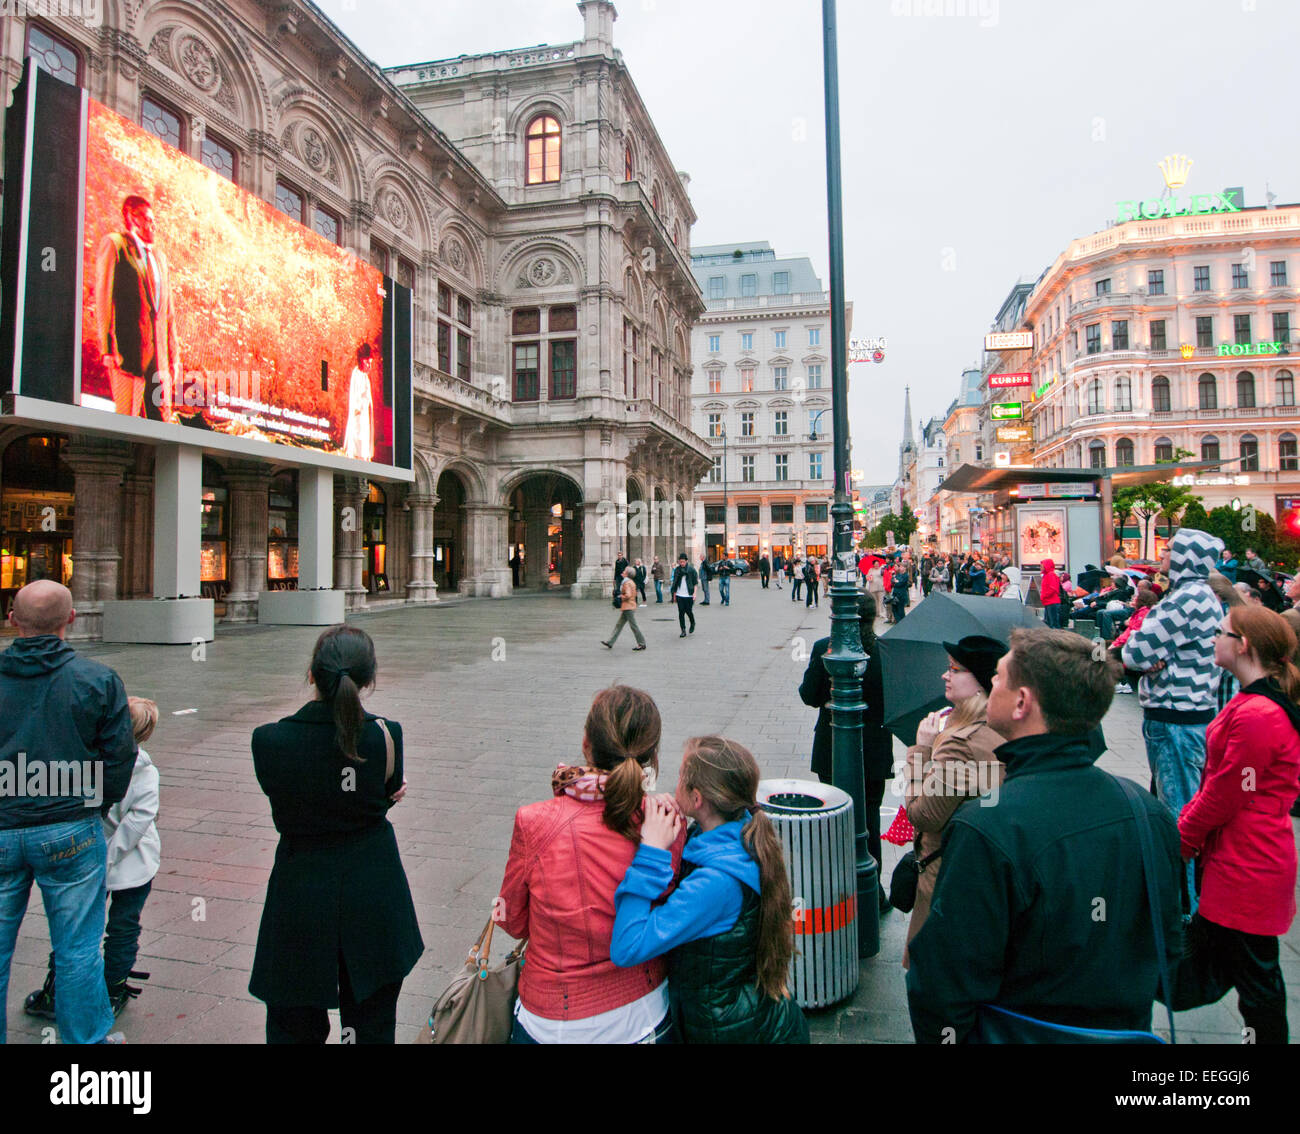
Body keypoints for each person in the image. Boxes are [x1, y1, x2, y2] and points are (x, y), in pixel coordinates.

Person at [906, 628, 1184, 1043]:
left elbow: (943, 984)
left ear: (1022, 702)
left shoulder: (987, 828)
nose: (991, 684)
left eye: (998, 677)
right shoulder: (1148, 813)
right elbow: (1170, 956)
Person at [249, 626, 421, 1043]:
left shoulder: (269, 741)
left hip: (301, 891)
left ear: (312, 673)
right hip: (372, 891)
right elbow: (378, 793)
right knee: (372, 1023)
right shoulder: (386, 735)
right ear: (368, 680)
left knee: (293, 1023)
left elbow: (289, 797)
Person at [498, 686, 685, 1043]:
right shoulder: (667, 822)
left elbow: (512, 919)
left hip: (552, 1021)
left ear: (586, 743)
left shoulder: (534, 822)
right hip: (643, 1012)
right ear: (652, 755)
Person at [0, 580, 136, 1045]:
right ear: (71, 619)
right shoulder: (96, 679)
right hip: (69, 827)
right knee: (78, 948)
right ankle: (86, 1045)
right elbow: (119, 760)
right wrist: (90, 804)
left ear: (12, 619)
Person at [610, 736, 808, 1043]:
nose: (674, 785)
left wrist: (651, 853)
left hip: (729, 1030)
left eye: (680, 779)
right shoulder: (734, 833)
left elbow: (627, 947)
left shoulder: (716, 883)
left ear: (697, 799)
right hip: (751, 1017)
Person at [1175, 606, 1300, 1043]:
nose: (1214, 639)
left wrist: (1184, 836)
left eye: (1220, 633)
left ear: (1242, 644)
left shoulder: (1257, 714)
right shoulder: (1253, 704)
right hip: (1244, 857)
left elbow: (1228, 792)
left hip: (1249, 862)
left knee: (1255, 979)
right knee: (1240, 971)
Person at [25, 696, 161, 1023]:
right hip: (133, 864)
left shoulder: (86, 762)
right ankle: (113, 989)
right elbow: (138, 821)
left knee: (74, 928)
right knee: (123, 927)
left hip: (86, 862)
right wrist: (109, 858)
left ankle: (57, 992)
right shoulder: (145, 770)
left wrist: (97, 859)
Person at [1121, 528, 1224, 912]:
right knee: (1178, 807)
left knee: (1178, 816)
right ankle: (1181, 904)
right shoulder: (1202, 597)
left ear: (1186, 558)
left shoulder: (1185, 599)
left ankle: (1186, 913)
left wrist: (1146, 653)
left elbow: (1135, 653)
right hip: (1187, 715)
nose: (1163, 554)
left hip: (1175, 718)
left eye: (1170, 550)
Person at [901, 636, 1006, 965]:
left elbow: (923, 815)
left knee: (933, 972)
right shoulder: (999, 727)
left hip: (944, 873)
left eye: (954, 669)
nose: (945, 676)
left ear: (981, 683)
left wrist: (921, 751)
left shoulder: (960, 743)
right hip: (981, 871)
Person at [798, 592, 894, 913]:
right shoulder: (886, 652)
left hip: (831, 749)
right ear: (874, 615)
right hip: (876, 751)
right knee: (870, 820)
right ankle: (872, 889)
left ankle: (836, 890)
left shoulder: (825, 648)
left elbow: (808, 696)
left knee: (833, 818)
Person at [94, 194, 182, 422]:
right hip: (128, 356)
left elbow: (168, 313)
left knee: (161, 422)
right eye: (148, 219)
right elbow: (104, 296)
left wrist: (174, 358)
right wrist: (106, 348)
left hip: (159, 362)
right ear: (133, 219)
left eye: (154, 220)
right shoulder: (115, 244)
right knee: (127, 422)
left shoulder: (160, 257)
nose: (154, 225)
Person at [342, 343, 376, 460]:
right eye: (367, 362)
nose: (369, 365)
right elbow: (357, 394)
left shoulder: (365, 376)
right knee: (358, 434)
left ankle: (363, 454)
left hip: (365, 412)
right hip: (359, 413)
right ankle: (356, 454)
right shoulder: (357, 373)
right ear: (362, 360)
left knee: (364, 434)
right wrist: (358, 408)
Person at [602, 567, 647, 651]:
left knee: (633, 626)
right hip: (629, 606)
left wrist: (620, 596)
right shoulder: (630, 582)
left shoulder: (626, 583)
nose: (622, 572)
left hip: (628, 607)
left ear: (627, 574)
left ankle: (642, 643)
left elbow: (628, 595)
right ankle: (610, 642)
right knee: (619, 625)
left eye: (624, 571)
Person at [670, 553, 697, 638]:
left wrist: (695, 593)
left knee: (688, 611)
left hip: (689, 595)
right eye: (680, 562)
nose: (681, 563)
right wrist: (674, 595)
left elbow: (695, 583)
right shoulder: (677, 570)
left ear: (686, 561)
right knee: (681, 612)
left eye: (683, 562)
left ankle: (692, 622)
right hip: (679, 594)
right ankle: (683, 630)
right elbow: (674, 583)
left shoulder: (691, 570)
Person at [1039, 557, 1063, 629]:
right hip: (1048, 602)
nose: (1040, 568)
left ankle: (1056, 638)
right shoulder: (1047, 575)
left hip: (1052, 602)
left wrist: (1043, 595)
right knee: (1049, 623)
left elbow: (1053, 589)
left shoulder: (1051, 575)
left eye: (1042, 566)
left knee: (1053, 624)